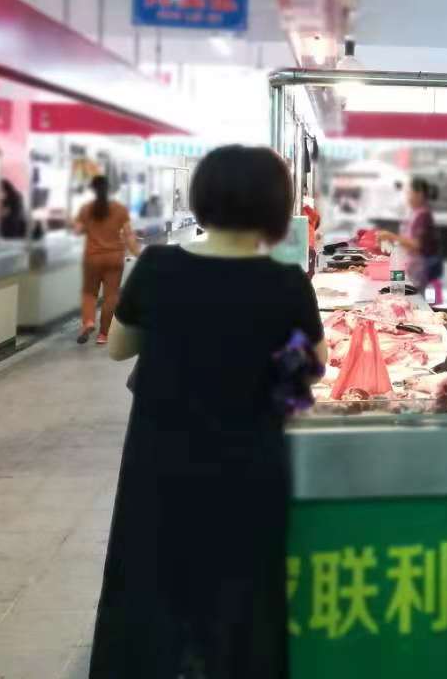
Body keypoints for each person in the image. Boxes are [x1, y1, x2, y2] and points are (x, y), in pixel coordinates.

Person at [90, 145, 326, 679]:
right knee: (244, 596)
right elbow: (313, 366)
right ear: (275, 207)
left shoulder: (158, 267)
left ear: (202, 198)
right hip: (249, 464)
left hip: (162, 462)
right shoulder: (286, 282)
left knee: (151, 584)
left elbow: (118, 348)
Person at [74, 176, 140, 346]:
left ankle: (89, 322)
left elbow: (77, 230)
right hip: (114, 258)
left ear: (92, 190)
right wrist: (138, 253)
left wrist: (85, 226)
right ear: (109, 189)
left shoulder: (86, 209)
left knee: (89, 292)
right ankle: (103, 334)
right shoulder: (120, 209)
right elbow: (129, 235)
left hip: (92, 258)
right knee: (111, 296)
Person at [379, 178, 443, 301]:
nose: (407, 197)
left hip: (420, 268)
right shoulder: (414, 213)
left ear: (419, 194)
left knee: (415, 300)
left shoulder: (423, 215)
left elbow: (416, 244)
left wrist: (391, 236)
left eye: (409, 193)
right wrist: (391, 241)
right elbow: (406, 238)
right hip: (408, 265)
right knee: (403, 297)